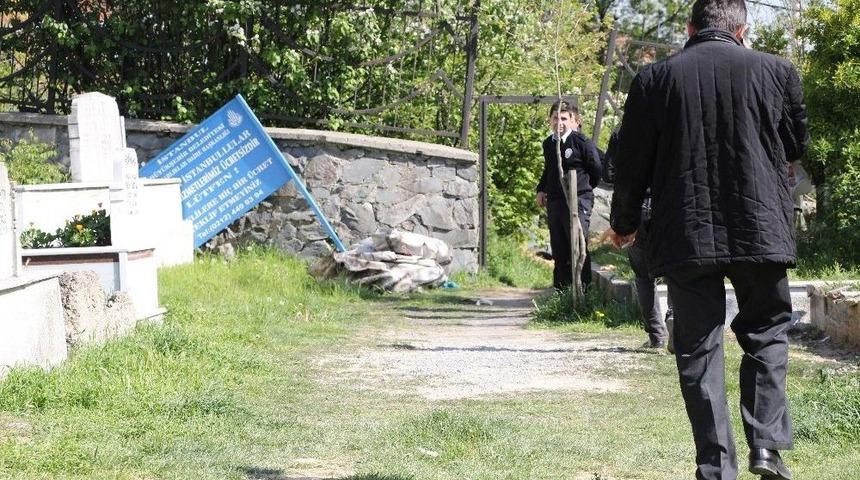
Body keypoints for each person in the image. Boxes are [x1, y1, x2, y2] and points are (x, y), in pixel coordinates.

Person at [605, 1, 809, 479]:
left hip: (686, 231)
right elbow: (795, 146)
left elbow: (631, 163)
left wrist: (625, 222)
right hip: (760, 225)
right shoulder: (778, 71)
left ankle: (716, 466)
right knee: (767, 331)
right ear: (742, 30)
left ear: (690, 29)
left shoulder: (654, 81)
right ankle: (766, 447)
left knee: (697, 346)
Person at [602, 130, 674, 350]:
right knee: (675, 270)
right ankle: (676, 319)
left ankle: (656, 334)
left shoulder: (621, 133)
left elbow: (609, 174)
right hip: (668, 206)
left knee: (643, 275)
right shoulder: (670, 124)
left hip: (636, 208)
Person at [536, 100, 602, 291]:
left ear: (574, 120)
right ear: (550, 120)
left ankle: (584, 291)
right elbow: (549, 169)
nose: (559, 122)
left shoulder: (580, 142)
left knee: (578, 245)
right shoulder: (549, 144)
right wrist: (541, 189)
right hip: (556, 201)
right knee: (559, 247)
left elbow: (596, 168)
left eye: (564, 118)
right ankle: (561, 292)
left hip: (577, 199)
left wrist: (584, 189)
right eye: (555, 118)